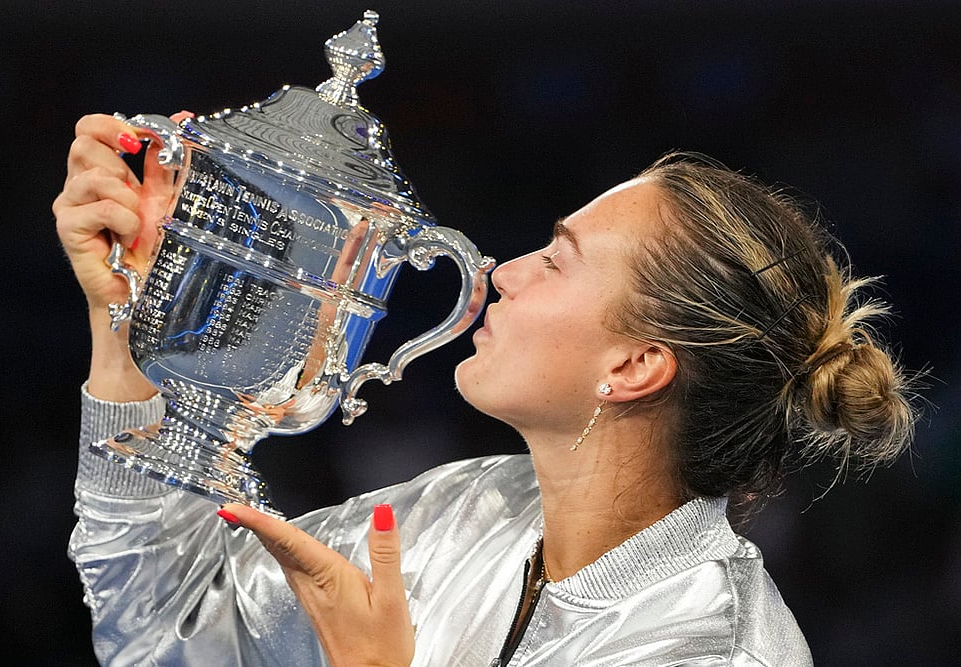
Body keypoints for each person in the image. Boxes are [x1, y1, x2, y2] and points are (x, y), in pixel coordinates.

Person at [56, 113, 917, 666]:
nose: (505, 272)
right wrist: (127, 324)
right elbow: (160, 627)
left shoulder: (715, 652)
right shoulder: (465, 512)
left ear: (633, 367)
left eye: (557, 257)